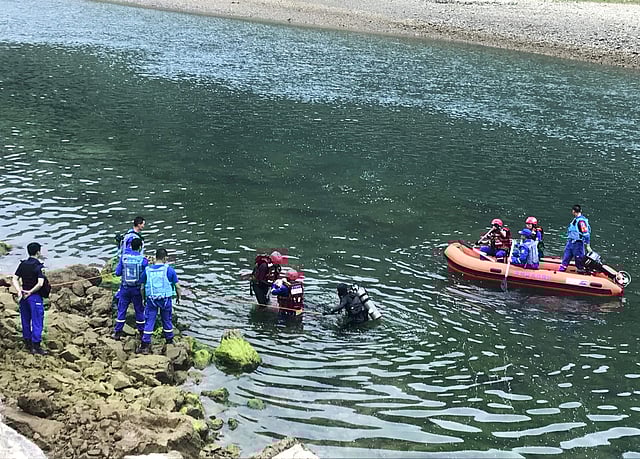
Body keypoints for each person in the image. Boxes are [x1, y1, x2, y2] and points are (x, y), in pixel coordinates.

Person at [138, 248, 181, 354]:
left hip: (151, 300)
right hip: (165, 299)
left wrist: (143, 298)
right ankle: (169, 340)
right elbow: (177, 286)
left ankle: (145, 345)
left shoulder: (147, 270)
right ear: (165, 258)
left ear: (155, 257)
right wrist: (178, 297)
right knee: (167, 320)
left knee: (149, 321)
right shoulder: (169, 270)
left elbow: (142, 287)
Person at [12, 242, 50, 355]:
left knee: (25, 319)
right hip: (34, 297)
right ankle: (36, 346)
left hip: (23, 295)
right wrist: (31, 292)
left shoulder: (22, 264)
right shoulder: (39, 266)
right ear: (38, 252)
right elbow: (40, 283)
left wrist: (19, 290)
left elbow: (14, 278)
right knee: (37, 320)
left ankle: (27, 343)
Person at [112, 237, 148, 340]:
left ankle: (117, 332)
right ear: (140, 247)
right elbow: (145, 276)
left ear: (131, 246)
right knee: (139, 311)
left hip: (125, 289)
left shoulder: (124, 258)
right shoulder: (143, 260)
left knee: (122, 310)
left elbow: (118, 273)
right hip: (137, 290)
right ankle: (142, 332)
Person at [559, 204, 591, 273]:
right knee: (566, 256)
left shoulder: (581, 221)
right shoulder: (576, 219)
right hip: (570, 242)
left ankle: (581, 270)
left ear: (573, 211)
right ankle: (562, 269)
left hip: (578, 243)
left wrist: (588, 245)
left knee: (579, 258)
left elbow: (586, 234)